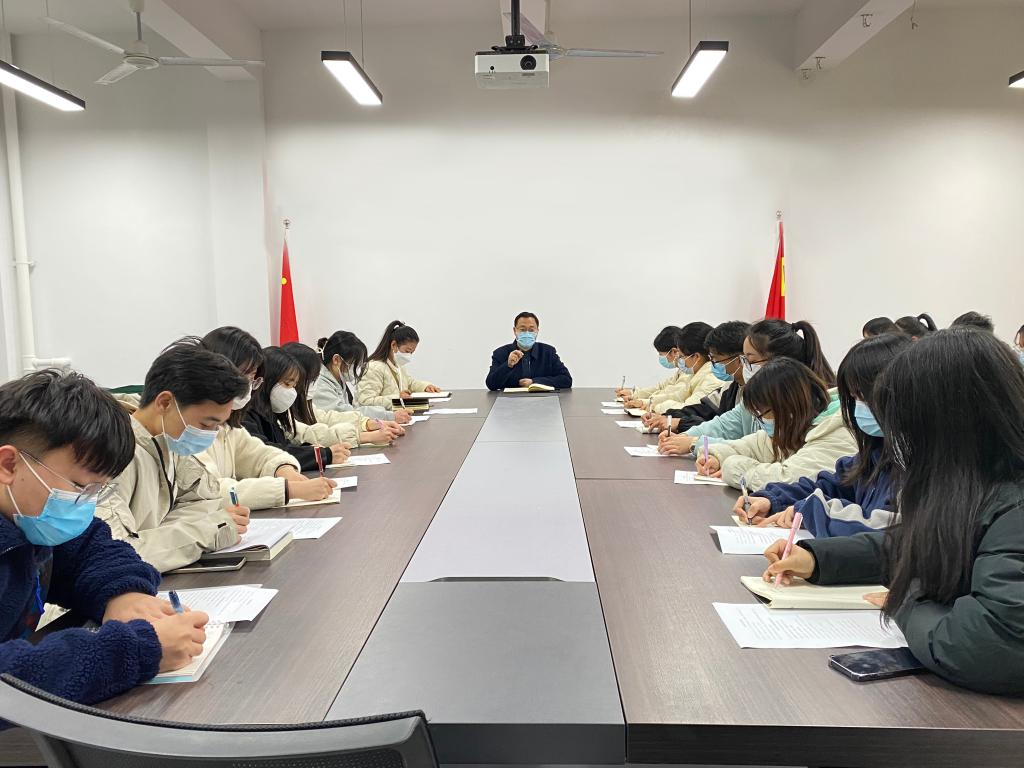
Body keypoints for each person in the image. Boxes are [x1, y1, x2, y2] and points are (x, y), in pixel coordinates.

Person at [762, 329, 1024, 696]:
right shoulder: (977, 482)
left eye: (905, 425)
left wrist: (906, 597)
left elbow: (989, 645)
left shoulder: (1013, 503)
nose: (896, 439)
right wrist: (818, 558)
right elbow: (918, 542)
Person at [0, 370, 209, 705]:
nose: (86, 503)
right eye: (80, 486)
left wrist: (123, 594)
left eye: (97, 490)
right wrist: (138, 650)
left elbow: (92, 548)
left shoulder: (27, 516)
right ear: (9, 464)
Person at [97, 342, 249, 573]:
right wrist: (206, 531)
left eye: (217, 426)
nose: (210, 434)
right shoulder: (111, 455)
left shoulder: (168, 441)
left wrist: (171, 536)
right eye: (205, 424)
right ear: (165, 402)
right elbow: (116, 554)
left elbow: (205, 499)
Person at [738, 333, 912, 535]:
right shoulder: (879, 448)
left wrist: (810, 511)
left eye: (862, 397)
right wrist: (774, 499)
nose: (858, 408)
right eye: (854, 398)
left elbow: (886, 530)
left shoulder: (917, 462)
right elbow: (837, 483)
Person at [196, 328, 336, 510]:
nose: (247, 387)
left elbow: (258, 454)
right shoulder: (188, 427)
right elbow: (210, 490)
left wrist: (283, 469)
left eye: (252, 379)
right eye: (243, 376)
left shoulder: (228, 424)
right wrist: (288, 490)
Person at [659, 319, 834, 458]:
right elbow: (725, 425)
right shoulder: (753, 394)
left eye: (750, 360)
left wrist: (696, 443)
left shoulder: (805, 404)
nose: (744, 366)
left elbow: (769, 454)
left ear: (779, 363)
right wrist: (687, 437)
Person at [697, 357, 856, 491]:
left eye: (762, 414)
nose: (762, 421)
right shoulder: (798, 424)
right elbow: (753, 446)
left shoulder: (839, 433)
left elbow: (787, 479)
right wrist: (716, 456)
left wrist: (732, 466)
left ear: (787, 406)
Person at [243, 347, 354, 473]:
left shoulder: (270, 413)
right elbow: (267, 452)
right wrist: (321, 455)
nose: (292, 392)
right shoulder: (246, 415)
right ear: (267, 380)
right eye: (287, 384)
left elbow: (283, 445)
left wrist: (311, 449)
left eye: (294, 386)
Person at [283, 341, 402, 444]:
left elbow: (326, 417)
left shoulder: (398, 368)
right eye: (407, 350)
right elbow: (309, 433)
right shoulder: (376, 367)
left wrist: (366, 423)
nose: (356, 370)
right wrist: (364, 434)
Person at [650, 321, 750, 435]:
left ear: (739, 360)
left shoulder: (714, 378)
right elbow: (703, 409)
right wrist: (668, 416)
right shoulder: (732, 386)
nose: (712, 364)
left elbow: (726, 428)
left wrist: (680, 423)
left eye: (715, 359)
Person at [312, 331, 411, 425]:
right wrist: (388, 416)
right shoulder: (319, 384)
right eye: (353, 364)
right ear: (336, 360)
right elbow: (345, 414)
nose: (355, 370)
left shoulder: (337, 379)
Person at [635, 322, 721, 423]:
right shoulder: (696, 372)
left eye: (681, 356)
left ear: (696, 357)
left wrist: (655, 406)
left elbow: (688, 409)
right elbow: (678, 395)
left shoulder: (712, 377)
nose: (678, 360)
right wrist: (648, 403)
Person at [359, 321, 442, 408]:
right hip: (379, 416)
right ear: (393, 345)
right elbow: (366, 401)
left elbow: (409, 383)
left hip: (397, 413)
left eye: (411, 353)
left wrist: (425, 387)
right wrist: (397, 398)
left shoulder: (398, 365)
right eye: (407, 351)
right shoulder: (373, 368)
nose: (409, 356)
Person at [486, 311, 573, 391]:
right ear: (515, 330)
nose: (527, 333)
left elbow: (566, 380)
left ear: (537, 331)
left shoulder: (548, 352)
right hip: (510, 400)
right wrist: (508, 365)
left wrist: (534, 382)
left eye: (531, 330)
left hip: (543, 399)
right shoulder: (500, 353)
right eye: (522, 330)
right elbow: (491, 385)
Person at [615, 326, 685, 405]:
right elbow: (661, 387)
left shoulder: (688, 372)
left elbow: (673, 395)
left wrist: (644, 401)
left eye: (661, 354)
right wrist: (634, 394)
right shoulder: (681, 370)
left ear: (674, 352)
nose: (660, 357)